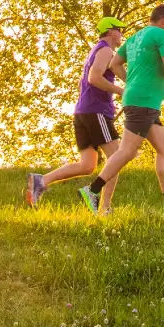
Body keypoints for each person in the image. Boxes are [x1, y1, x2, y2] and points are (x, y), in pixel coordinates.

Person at [78, 4, 164, 217]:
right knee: (127, 151)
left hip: (142, 101)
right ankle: (92, 190)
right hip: (144, 102)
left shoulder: (134, 38)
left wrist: (130, 83)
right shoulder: (161, 35)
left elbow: (114, 64)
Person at [25, 15, 127, 206]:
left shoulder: (95, 51)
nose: (122, 34)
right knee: (116, 159)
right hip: (96, 111)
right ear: (111, 31)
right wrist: (120, 91)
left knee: (87, 165)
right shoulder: (105, 50)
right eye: (120, 29)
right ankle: (104, 208)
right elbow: (94, 78)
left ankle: (42, 181)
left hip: (83, 112)